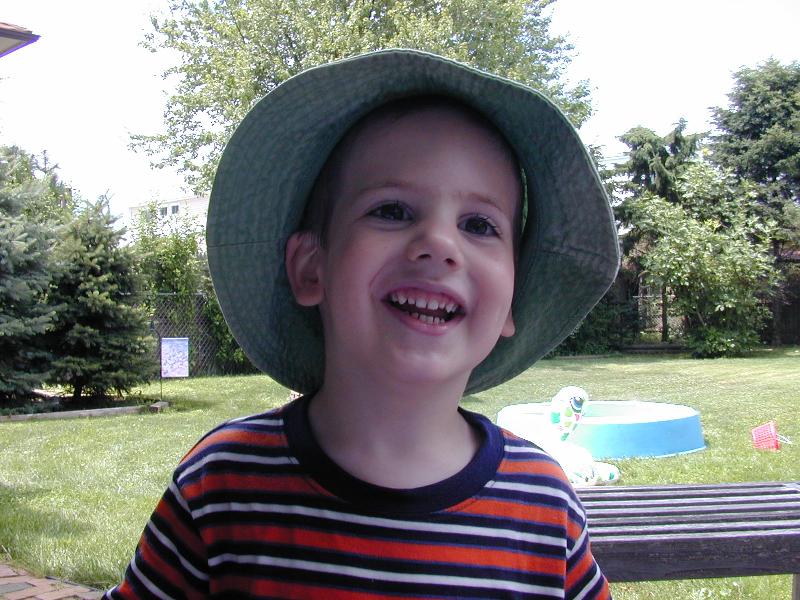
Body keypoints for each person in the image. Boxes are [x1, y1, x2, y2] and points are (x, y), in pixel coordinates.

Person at [105, 49, 619, 599]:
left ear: (512, 300)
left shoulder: (543, 505)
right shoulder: (222, 484)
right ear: (311, 268)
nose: (439, 243)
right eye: (392, 211)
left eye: (479, 224)